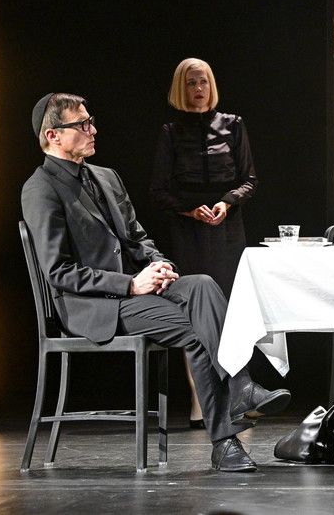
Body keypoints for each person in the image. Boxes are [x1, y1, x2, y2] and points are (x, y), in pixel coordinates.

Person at [22, 92, 290, 472]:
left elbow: (137, 237)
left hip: (136, 291)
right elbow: (59, 272)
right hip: (95, 305)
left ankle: (241, 388)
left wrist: (160, 264)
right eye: (82, 124)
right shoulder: (41, 188)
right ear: (53, 135)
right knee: (196, 331)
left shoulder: (106, 177)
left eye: (91, 121)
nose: (93, 130)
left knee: (201, 283)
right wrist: (131, 285)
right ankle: (225, 437)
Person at [149, 58, 258, 428]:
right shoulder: (170, 131)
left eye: (204, 82)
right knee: (195, 316)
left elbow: (249, 179)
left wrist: (227, 202)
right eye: (192, 83)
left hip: (227, 229)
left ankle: (238, 398)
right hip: (188, 231)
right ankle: (201, 402)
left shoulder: (233, 124)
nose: (199, 89)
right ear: (181, 88)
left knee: (231, 312)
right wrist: (191, 210)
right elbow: (159, 190)